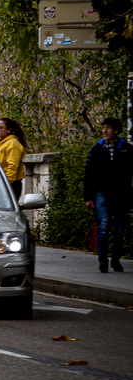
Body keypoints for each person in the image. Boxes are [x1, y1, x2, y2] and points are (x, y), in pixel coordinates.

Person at [83, 117, 133, 273]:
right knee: (104, 226)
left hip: (121, 194)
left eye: (108, 128)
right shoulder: (96, 148)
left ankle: (115, 259)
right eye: (103, 127)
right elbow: (88, 173)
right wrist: (88, 196)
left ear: (116, 131)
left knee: (119, 230)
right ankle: (103, 259)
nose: (104, 130)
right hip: (102, 193)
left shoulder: (126, 149)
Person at [0, 117, 27, 200]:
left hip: (9, 185)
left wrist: (6, 184)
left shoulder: (13, 143)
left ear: (9, 130)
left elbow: (13, 166)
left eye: (1, 128)